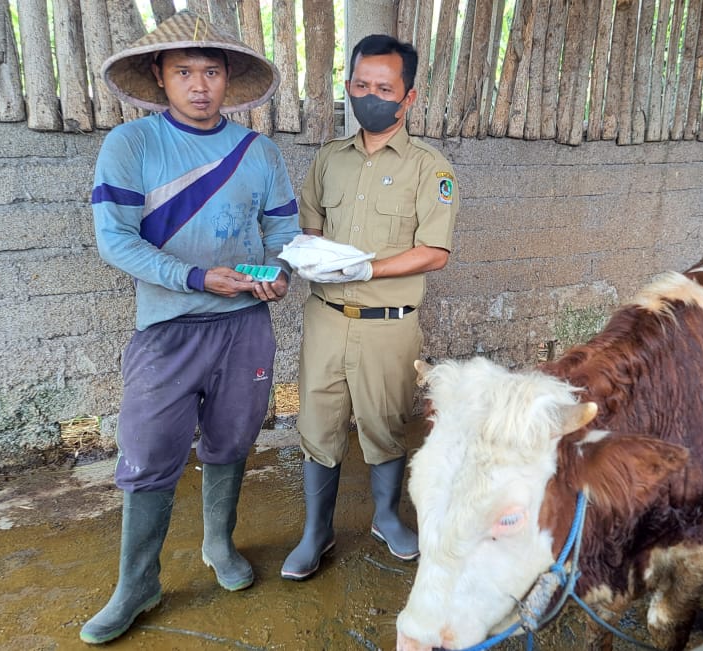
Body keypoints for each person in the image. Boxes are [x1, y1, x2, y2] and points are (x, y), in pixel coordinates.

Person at [82, 10, 300, 644]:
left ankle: (218, 544)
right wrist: (197, 279)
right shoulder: (133, 145)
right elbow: (113, 240)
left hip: (245, 327)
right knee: (149, 454)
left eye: (210, 71)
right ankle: (137, 584)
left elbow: (284, 235)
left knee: (232, 440)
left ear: (228, 78)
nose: (199, 85)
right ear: (159, 75)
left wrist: (279, 274)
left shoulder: (260, 153)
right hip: (167, 327)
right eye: (184, 72)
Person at [282, 34, 459, 581]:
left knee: (384, 424)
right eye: (360, 85)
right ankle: (317, 531)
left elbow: (435, 252)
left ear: (409, 97)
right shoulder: (329, 160)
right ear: (348, 86)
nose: (370, 96)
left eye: (384, 88)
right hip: (326, 319)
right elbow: (310, 229)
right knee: (318, 421)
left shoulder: (431, 169)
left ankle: (386, 516)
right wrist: (308, 257)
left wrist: (367, 269)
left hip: (389, 326)